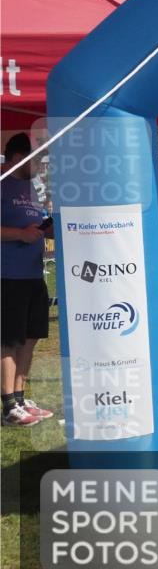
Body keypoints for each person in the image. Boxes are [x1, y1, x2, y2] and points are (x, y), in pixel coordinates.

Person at [1, 133, 55, 426]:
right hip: (7, 275)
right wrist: (19, 234)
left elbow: (33, 223)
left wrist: (48, 229)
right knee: (7, 340)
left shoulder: (32, 188)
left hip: (33, 273)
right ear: (19, 158)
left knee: (30, 338)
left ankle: (20, 398)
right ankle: (9, 405)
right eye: (38, 159)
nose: (42, 166)